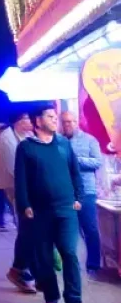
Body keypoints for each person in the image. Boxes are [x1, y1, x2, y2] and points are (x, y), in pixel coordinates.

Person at [14, 106, 89, 303]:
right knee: (44, 256)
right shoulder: (26, 148)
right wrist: (24, 205)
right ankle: (51, 298)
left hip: (66, 210)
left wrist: (79, 197)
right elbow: (21, 180)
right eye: (50, 116)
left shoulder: (64, 144)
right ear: (38, 121)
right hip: (40, 212)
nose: (55, 119)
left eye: (55, 117)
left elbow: (75, 172)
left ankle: (74, 301)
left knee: (69, 253)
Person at [0, 109, 35, 293]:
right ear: (19, 121)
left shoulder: (26, 137)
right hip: (19, 189)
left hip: (28, 188)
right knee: (27, 229)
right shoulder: (8, 139)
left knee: (29, 230)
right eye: (27, 118)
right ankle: (20, 270)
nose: (31, 121)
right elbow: (15, 169)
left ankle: (26, 270)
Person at [60, 110, 103, 278]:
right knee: (68, 230)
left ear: (77, 122)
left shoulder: (89, 140)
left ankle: (93, 264)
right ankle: (70, 264)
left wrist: (77, 160)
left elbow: (97, 162)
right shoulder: (59, 141)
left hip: (86, 191)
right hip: (66, 191)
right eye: (65, 122)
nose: (68, 125)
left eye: (71, 121)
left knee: (90, 228)